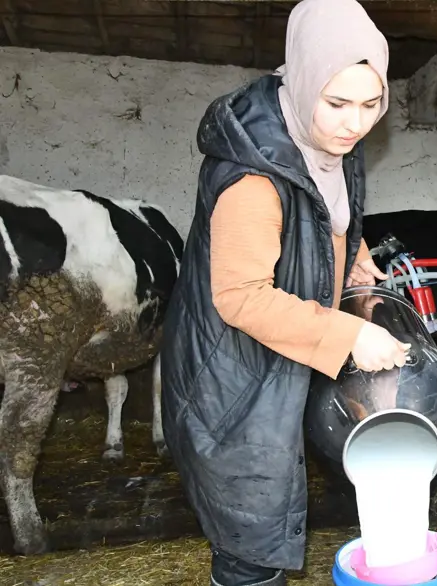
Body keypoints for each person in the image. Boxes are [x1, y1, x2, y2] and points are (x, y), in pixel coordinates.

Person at [159, 1, 409, 585]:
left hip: (278, 366)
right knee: (251, 544)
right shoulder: (252, 176)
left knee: (266, 524)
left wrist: (353, 258)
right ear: (299, 83)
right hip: (231, 382)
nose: (354, 122)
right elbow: (242, 297)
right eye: (338, 103)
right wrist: (350, 333)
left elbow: (324, 219)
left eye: (371, 105)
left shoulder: (329, 147)